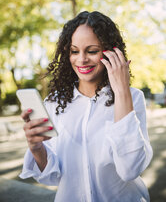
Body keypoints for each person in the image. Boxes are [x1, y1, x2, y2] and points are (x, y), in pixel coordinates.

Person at [20, 11, 153, 202]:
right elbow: (53, 177)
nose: (81, 59)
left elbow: (130, 169)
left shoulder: (133, 97)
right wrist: (36, 147)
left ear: (111, 52)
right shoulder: (55, 102)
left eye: (91, 51)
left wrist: (121, 90)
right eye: (74, 51)